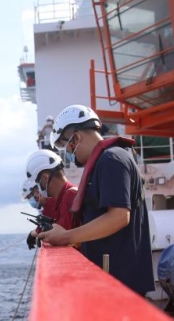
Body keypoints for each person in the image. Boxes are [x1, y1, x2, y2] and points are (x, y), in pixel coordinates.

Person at [38, 105, 154, 296]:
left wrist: (66, 236)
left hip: (120, 281)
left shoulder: (112, 159)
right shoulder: (106, 160)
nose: (69, 154)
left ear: (76, 138)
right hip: (112, 277)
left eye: (67, 147)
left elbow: (119, 217)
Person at [26, 150, 78, 231]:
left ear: (45, 178)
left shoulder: (69, 196)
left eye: (38, 182)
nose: (39, 188)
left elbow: (65, 236)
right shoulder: (64, 198)